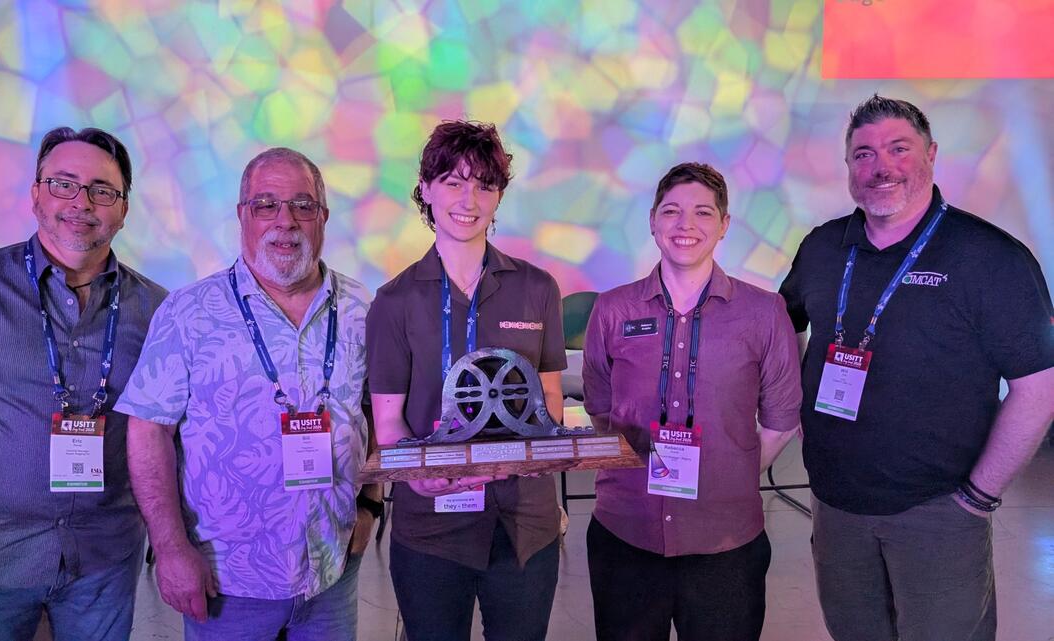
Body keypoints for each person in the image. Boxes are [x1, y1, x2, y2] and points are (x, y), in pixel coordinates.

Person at [779, 95, 1054, 641]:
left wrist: (977, 498)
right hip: (835, 505)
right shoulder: (823, 248)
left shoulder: (988, 257)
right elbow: (782, 327)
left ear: (930, 154)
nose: (881, 167)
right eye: (863, 154)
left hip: (938, 511)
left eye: (898, 148)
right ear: (849, 168)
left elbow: (1039, 387)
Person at [115, 147, 380, 641]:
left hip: (332, 573)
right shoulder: (188, 313)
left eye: (303, 205)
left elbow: (376, 412)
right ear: (242, 215)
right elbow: (148, 430)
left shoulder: (364, 308)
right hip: (227, 583)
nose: (286, 222)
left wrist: (371, 505)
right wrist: (170, 549)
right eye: (266, 205)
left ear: (323, 216)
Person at [0, 126, 167, 640]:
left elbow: (162, 426)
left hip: (102, 561)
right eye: (63, 184)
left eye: (102, 190)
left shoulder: (157, 310)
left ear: (123, 209)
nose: (81, 202)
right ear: (35, 194)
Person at [581, 162, 802, 641]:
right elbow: (600, 410)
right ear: (653, 222)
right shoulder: (613, 309)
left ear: (724, 225)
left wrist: (727, 475)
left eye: (703, 212)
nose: (686, 225)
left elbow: (782, 422)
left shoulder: (764, 313)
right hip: (626, 533)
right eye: (672, 211)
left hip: (726, 543)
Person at [366, 120, 566, 641]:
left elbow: (550, 400)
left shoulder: (537, 288)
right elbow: (388, 424)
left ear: (498, 196)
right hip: (433, 526)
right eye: (453, 181)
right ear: (426, 190)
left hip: (525, 523)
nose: (468, 199)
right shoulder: (394, 301)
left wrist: (529, 450)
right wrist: (417, 474)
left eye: (484, 184)